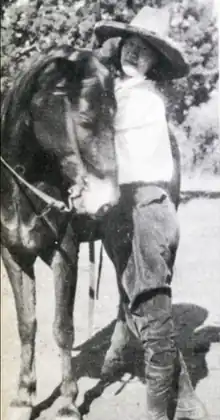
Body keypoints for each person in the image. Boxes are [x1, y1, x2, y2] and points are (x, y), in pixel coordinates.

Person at [94, 6, 209, 420]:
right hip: (125, 212)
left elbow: (117, 159)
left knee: (154, 317)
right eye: (131, 44)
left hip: (147, 207)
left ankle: (158, 414)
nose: (134, 53)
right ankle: (185, 403)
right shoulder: (116, 93)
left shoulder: (142, 101)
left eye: (146, 51)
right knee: (142, 311)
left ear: (154, 62)